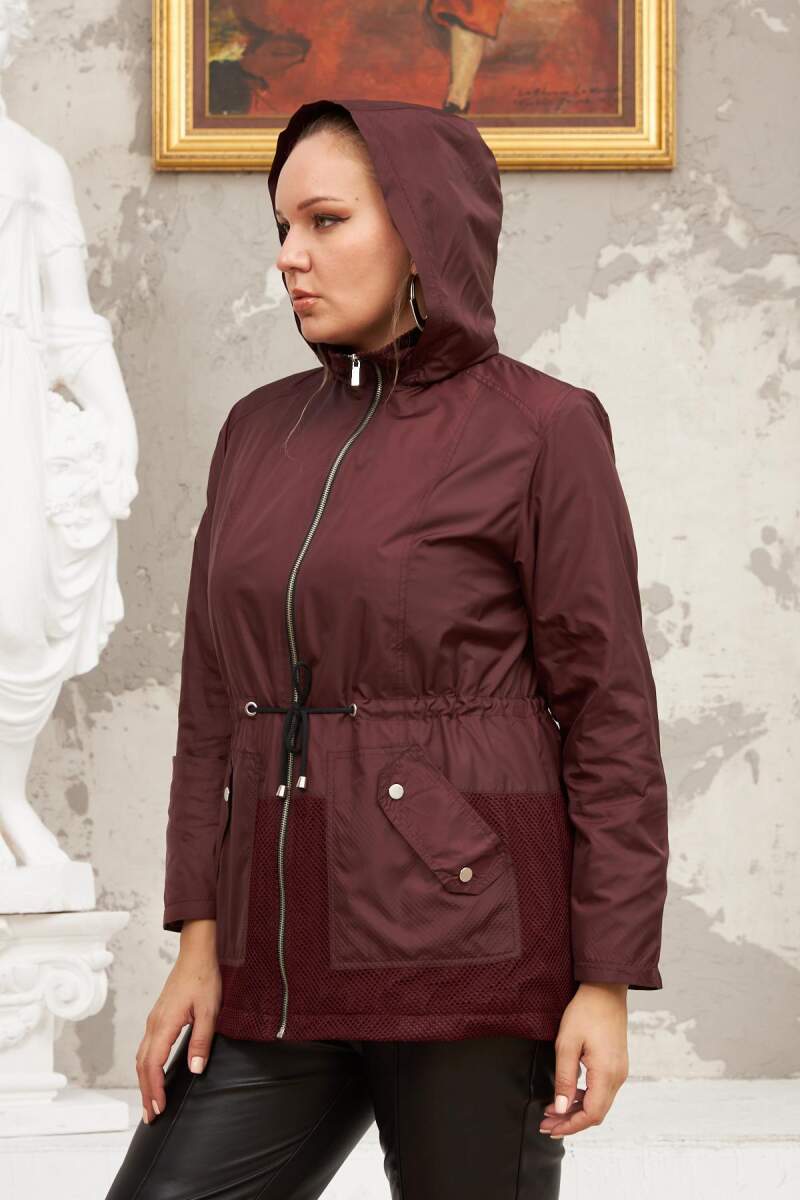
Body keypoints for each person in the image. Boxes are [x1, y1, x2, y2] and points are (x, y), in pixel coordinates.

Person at [106, 96, 669, 1199]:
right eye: (282, 226)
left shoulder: (542, 428)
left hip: (469, 955)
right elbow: (213, 711)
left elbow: (609, 712)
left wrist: (604, 979)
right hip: (275, 963)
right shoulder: (256, 430)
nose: (290, 255)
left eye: (325, 221)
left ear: (420, 227)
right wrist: (198, 941)